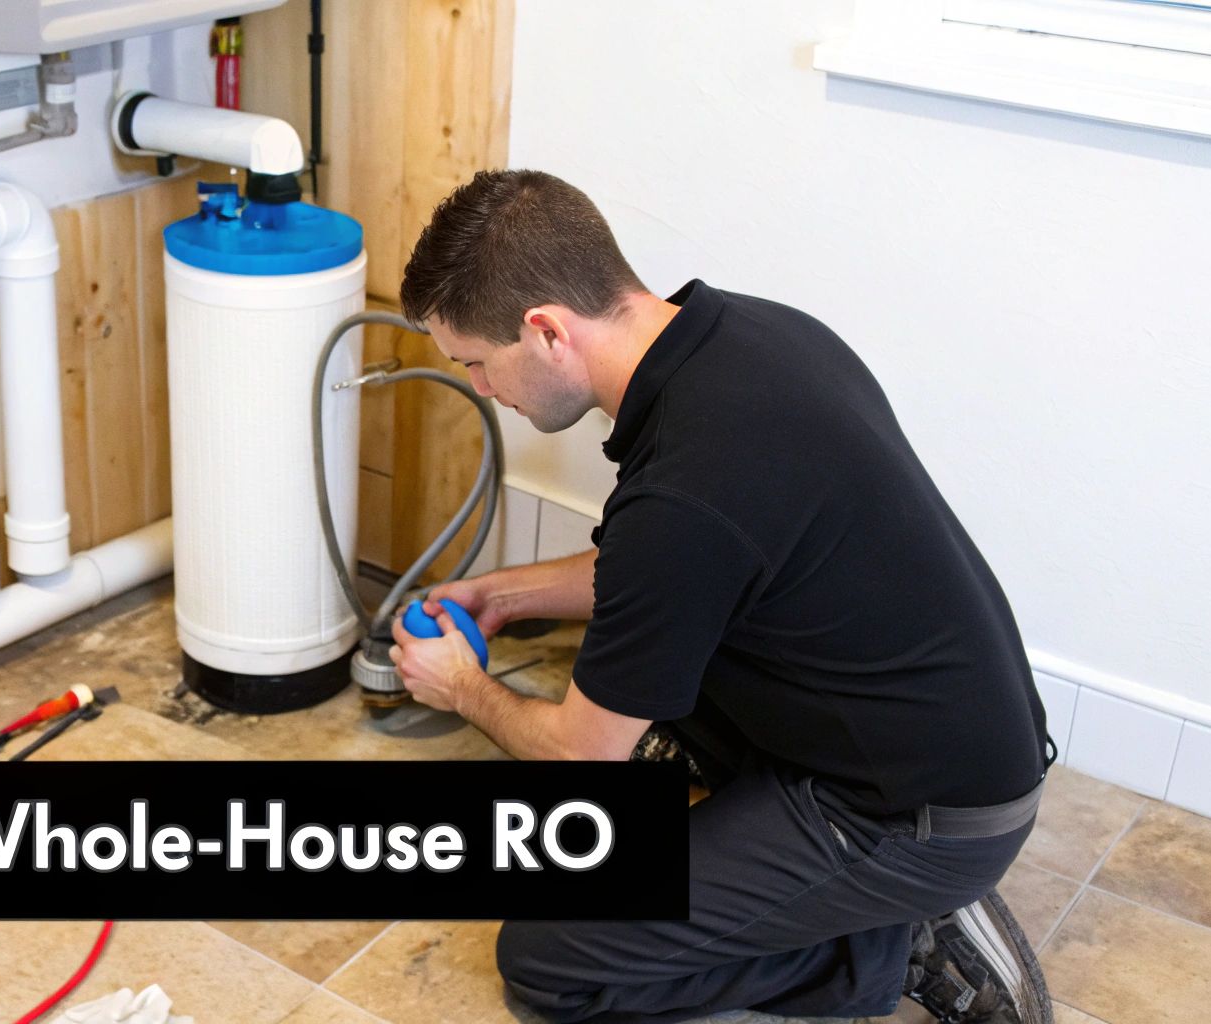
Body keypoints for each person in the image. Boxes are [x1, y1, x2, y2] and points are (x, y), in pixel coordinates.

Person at [388, 169, 1055, 1024]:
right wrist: (508, 596)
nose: (483, 388)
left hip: (911, 815)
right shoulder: (754, 334)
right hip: (957, 736)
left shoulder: (684, 493)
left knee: (551, 960)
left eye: (478, 363)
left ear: (545, 330)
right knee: (653, 686)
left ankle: (888, 946)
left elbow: (579, 753)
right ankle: (813, 879)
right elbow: (672, 575)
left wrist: (461, 688)